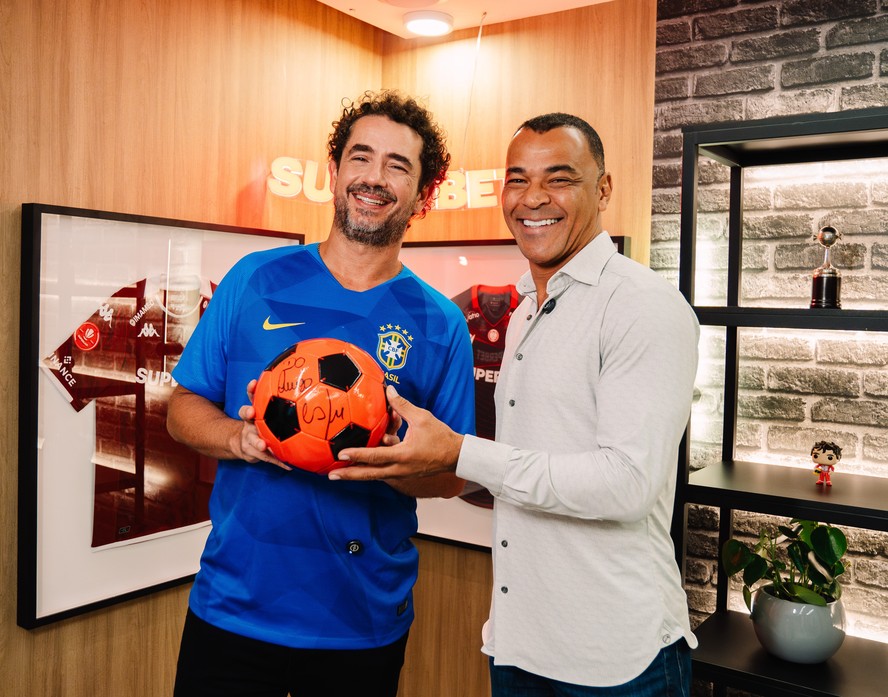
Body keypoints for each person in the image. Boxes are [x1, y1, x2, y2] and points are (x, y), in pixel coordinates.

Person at [330, 113, 701, 695]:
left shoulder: (643, 305)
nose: (533, 198)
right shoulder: (529, 307)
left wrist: (460, 453)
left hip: (617, 660)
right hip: (520, 646)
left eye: (560, 178)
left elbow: (627, 484)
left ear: (603, 189)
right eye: (518, 179)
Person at [166, 90, 475, 697]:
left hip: (360, 623)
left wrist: (397, 465)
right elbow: (182, 409)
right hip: (233, 608)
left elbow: (452, 476)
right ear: (334, 171)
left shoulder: (440, 323)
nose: (374, 177)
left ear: (423, 194)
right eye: (361, 157)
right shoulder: (254, 279)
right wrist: (238, 438)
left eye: (398, 165)